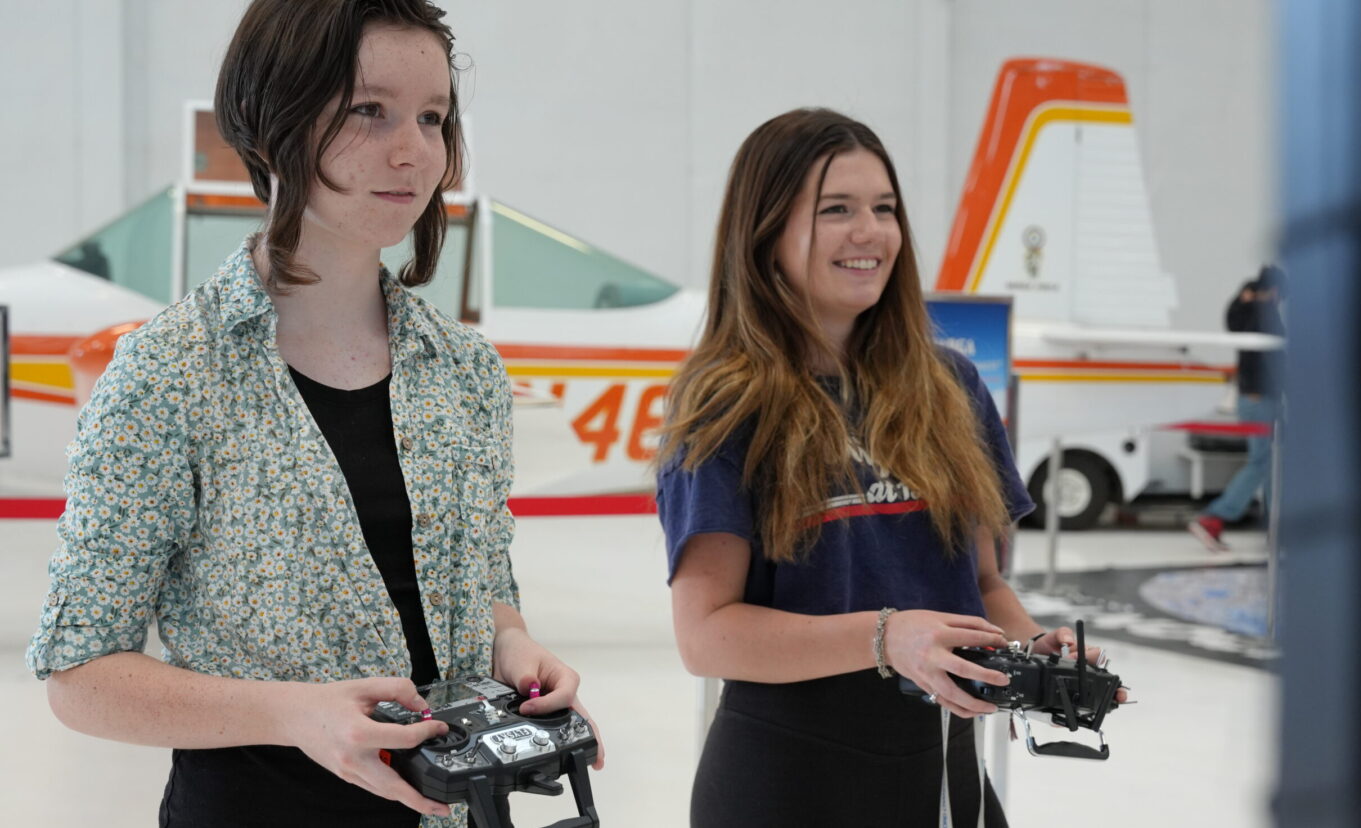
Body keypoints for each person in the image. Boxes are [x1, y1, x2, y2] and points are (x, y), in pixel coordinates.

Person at [26, 2, 600, 826]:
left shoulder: (464, 371)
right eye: (369, 111)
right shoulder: (169, 373)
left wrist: (511, 644)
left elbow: (484, 585)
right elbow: (81, 678)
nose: (413, 150)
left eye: (432, 117)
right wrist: (292, 713)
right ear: (275, 123)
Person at [656, 108, 1117, 828]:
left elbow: (984, 586)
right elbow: (706, 635)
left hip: (940, 772)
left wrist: (1039, 654)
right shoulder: (726, 403)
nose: (870, 232)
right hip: (787, 779)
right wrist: (886, 637)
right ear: (765, 230)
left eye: (885, 208)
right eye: (836, 210)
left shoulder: (951, 385)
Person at [1188, 265, 1286, 552]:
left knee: (1271, 465)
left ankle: (1275, 527)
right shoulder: (1263, 314)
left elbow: (1233, 322)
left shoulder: (1249, 310)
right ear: (1277, 292)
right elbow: (1273, 361)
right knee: (1264, 462)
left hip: (1256, 398)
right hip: (1260, 398)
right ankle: (1213, 518)